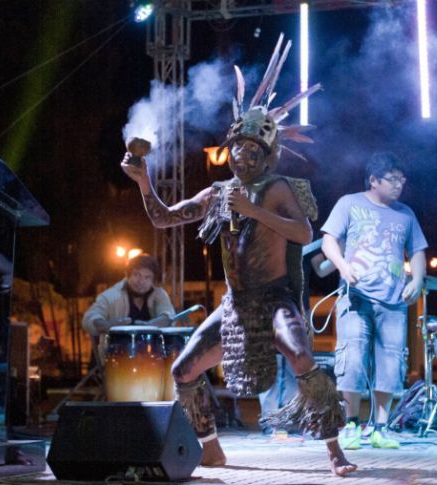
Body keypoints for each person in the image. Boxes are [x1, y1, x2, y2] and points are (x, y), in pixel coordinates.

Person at [121, 35, 356, 477]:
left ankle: (334, 450)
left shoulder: (277, 188)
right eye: (237, 150)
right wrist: (143, 182)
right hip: (236, 305)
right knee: (184, 369)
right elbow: (163, 219)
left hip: (275, 299)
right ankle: (211, 448)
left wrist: (253, 211)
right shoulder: (218, 193)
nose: (241, 158)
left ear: (267, 156)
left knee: (301, 355)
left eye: (252, 151)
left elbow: (303, 232)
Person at [321, 152, 428, 450]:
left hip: (393, 301)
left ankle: (381, 427)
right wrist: (343, 266)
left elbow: (417, 250)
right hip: (356, 298)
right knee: (352, 359)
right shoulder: (349, 203)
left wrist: (417, 280)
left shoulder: (406, 214)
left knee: (391, 362)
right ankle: (352, 424)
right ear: (373, 180)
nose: (399, 185)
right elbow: (329, 240)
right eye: (392, 180)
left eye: (402, 180)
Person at [258, 239, 336, 436]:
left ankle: (292, 421)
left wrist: (340, 252)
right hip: (267, 305)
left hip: (299, 309)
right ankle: (270, 422)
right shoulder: (264, 225)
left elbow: (321, 269)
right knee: (269, 364)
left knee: (297, 365)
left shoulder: (307, 235)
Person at [82, 254, 175, 366]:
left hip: (154, 360)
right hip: (117, 361)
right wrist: (110, 325)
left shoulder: (159, 295)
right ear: (127, 275)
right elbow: (89, 319)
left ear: (153, 281)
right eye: (137, 275)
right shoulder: (111, 296)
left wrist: (148, 326)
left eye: (147, 277)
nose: (141, 281)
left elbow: (169, 317)